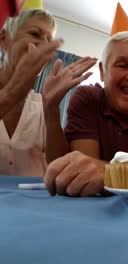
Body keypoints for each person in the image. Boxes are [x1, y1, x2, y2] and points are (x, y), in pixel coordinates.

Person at [43, 31, 128, 196]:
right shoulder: (88, 99)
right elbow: (82, 171)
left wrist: (107, 173)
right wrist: (51, 109)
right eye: (122, 65)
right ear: (102, 71)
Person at [0, 8, 96, 176]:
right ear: (4, 39)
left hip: (37, 201)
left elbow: (60, 166)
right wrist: (14, 90)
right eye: (35, 34)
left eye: (49, 40)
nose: (45, 46)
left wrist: (51, 108)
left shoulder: (42, 105)